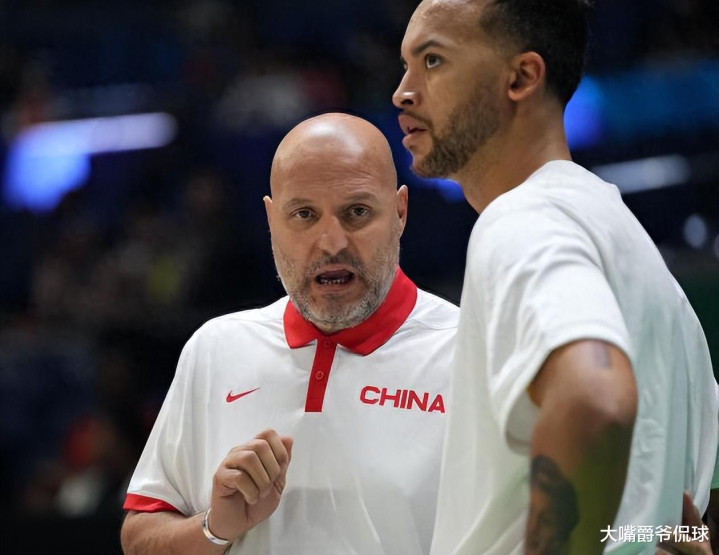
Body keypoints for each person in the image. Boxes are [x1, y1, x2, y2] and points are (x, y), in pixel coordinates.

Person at [392, 1, 719, 554]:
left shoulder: (522, 221)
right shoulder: (638, 256)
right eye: (406, 64)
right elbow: (684, 503)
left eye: (433, 60)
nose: (403, 92)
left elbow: (594, 400)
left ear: (521, 77)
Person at [119, 112, 458, 554]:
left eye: (356, 212)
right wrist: (214, 528)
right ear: (271, 219)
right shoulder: (215, 349)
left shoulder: (468, 352)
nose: (332, 242)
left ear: (400, 212)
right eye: (304, 214)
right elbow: (140, 540)